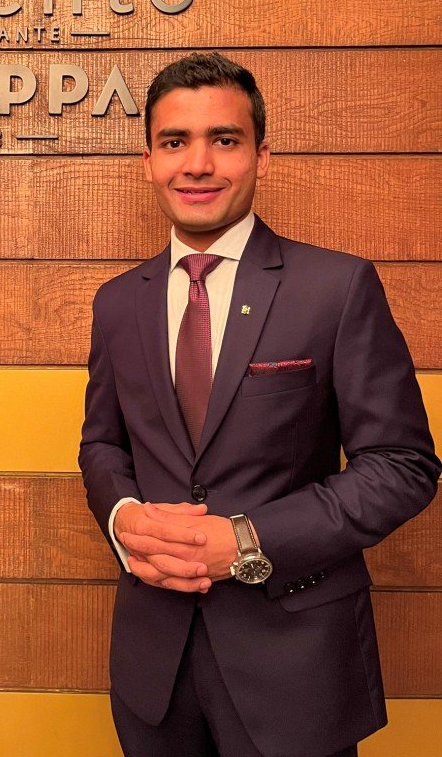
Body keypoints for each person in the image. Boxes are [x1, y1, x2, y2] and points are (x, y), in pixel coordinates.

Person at [78, 51, 440, 757]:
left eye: (225, 139)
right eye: (174, 142)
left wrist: (247, 540)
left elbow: (402, 466)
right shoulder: (118, 303)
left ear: (261, 156)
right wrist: (124, 520)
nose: (198, 164)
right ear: (148, 162)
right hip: (154, 671)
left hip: (296, 670)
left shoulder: (337, 287)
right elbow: (102, 445)